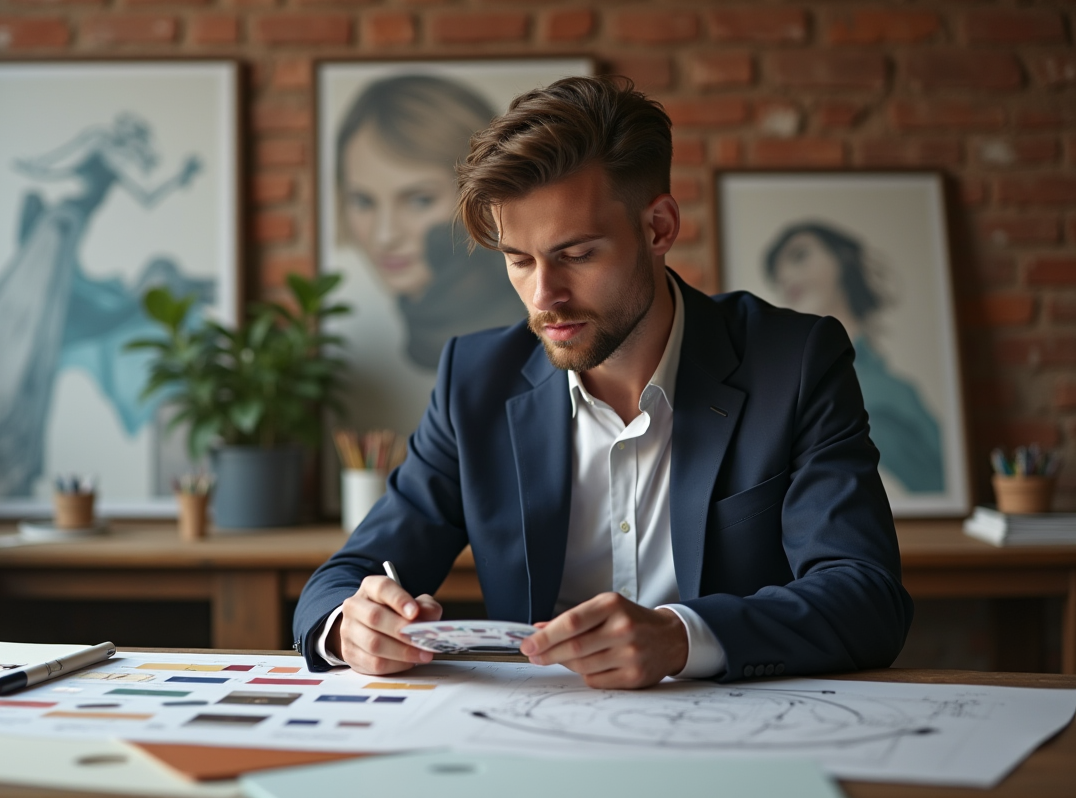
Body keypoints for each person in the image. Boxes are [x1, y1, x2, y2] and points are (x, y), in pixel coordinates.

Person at [294, 76, 912, 688]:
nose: (545, 297)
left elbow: (866, 598)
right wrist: (350, 624)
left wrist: (681, 637)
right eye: (519, 260)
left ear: (659, 228)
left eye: (577, 254)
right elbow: (344, 575)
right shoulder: (474, 382)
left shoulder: (795, 361)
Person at [0, 113, 209, 500]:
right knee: (37, 328)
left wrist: (179, 178)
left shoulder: (118, 164)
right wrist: (32, 168)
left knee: (63, 331)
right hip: (59, 227)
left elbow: (147, 197)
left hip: (69, 237)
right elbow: (60, 161)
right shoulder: (99, 142)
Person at [335, 75, 524, 370]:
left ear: (483, 195)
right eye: (363, 202)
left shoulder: (525, 332)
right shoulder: (423, 332)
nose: (385, 236)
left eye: (419, 200)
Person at [763, 223, 944, 493]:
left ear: (841, 259)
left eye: (799, 256)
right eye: (778, 277)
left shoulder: (894, 394)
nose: (786, 277)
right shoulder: (788, 389)